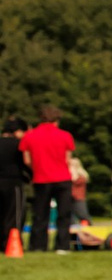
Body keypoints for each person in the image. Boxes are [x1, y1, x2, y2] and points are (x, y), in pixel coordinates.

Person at [19, 107, 76, 254]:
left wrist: (37, 167)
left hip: (41, 179)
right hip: (63, 178)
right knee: (63, 214)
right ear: (56, 120)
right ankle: (62, 246)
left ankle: (38, 246)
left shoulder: (30, 136)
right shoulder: (65, 135)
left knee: (40, 215)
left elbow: (26, 160)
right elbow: (67, 159)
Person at [0, 117, 26, 248]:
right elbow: (25, 163)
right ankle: (11, 244)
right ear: (18, 131)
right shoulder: (18, 144)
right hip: (13, 181)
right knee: (13, 215)